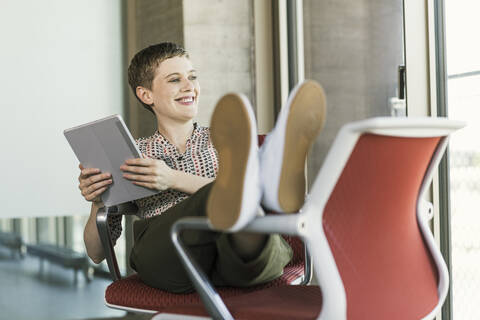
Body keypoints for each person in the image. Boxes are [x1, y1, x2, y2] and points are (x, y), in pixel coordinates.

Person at [78, 42, 326, 293]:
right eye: (175, 80)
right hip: (169, 255)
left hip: (232, 254)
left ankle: (254, 195)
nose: (189, 86)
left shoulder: (227, 140)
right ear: (146, 95)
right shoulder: (133, 155)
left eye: (192, 77)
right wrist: (99, 202)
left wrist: (173, 178)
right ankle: (263, 183)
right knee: (235, 196)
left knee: (246, 236)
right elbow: (97, 254)